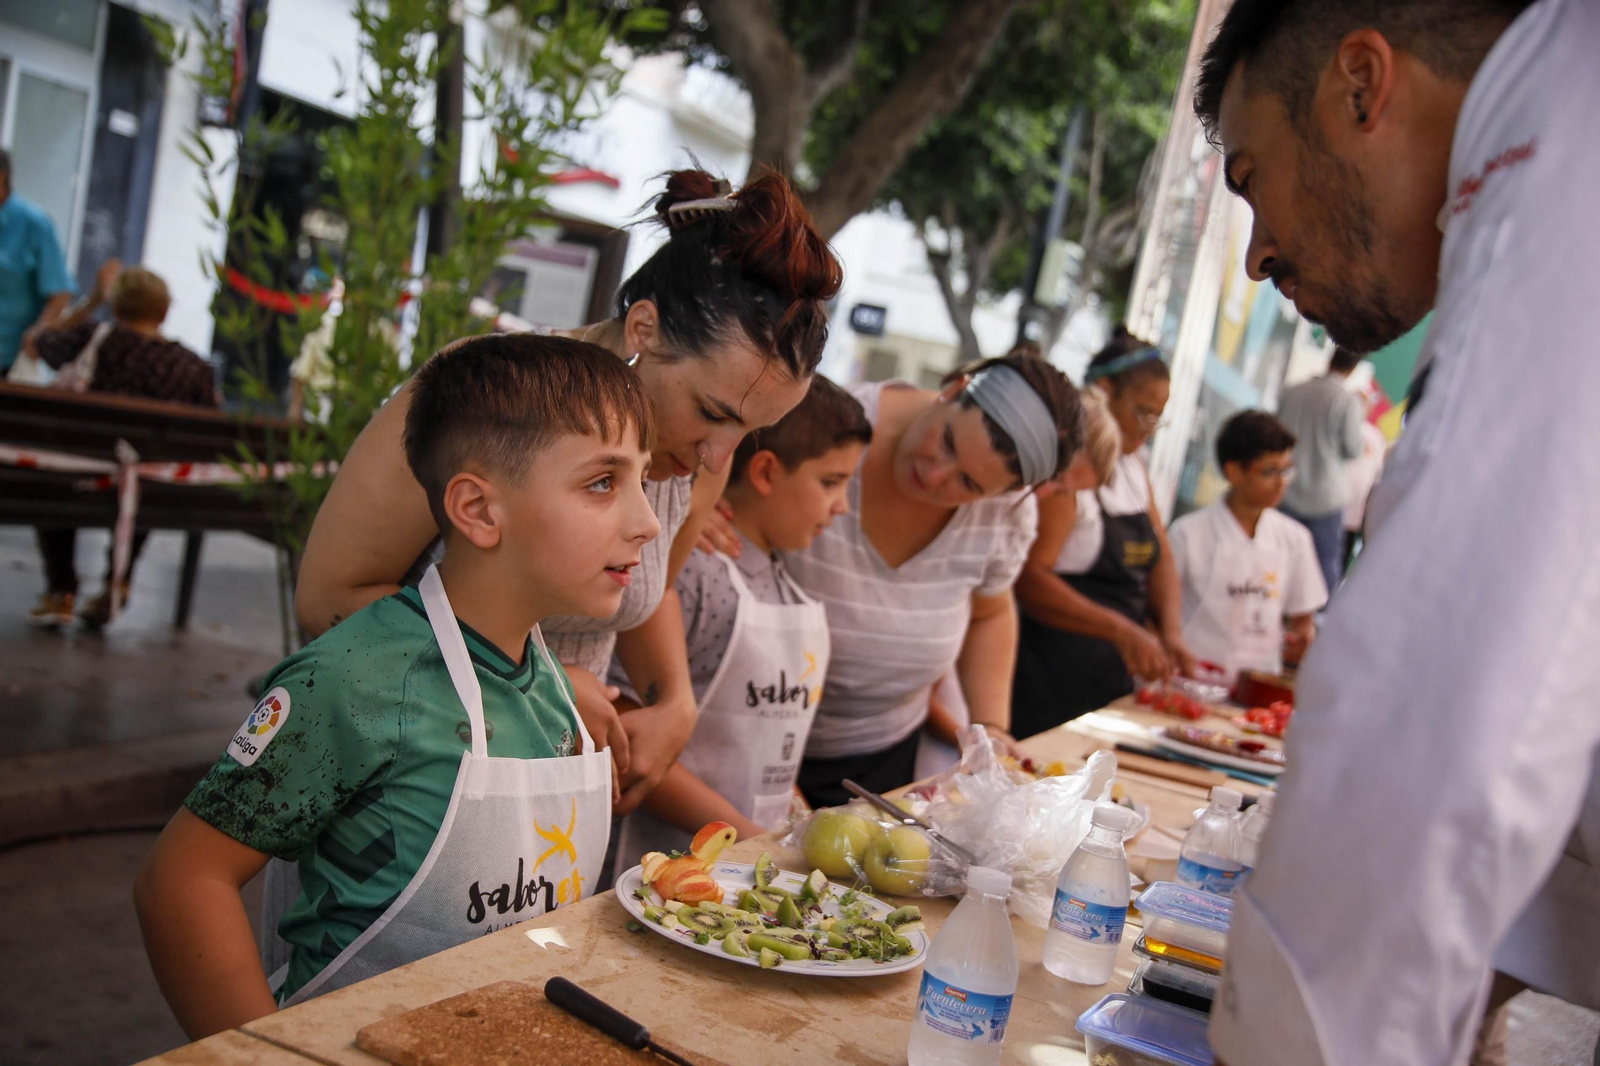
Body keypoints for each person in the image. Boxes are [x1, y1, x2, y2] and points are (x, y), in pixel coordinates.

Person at [1192, 1, 1600, 1064]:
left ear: (1361, 85)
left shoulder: (1562, 144)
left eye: (1250, 180)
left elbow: (1447, 705)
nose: (1255, 257)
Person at [134, 334, 658, 1037]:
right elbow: (179, 883)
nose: (648, 522)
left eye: (643, 481)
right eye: (603, 483)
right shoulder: (355, 680)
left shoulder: (554, 688)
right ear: (477, 510)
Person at [291, 169, 840, 816]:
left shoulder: (704, 456)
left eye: (751, 432)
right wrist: (534, 683)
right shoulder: (482, 393)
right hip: (397, 778)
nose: (720, 457)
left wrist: (674, 699)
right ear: (643, 328)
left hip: (549, 798)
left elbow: (647, 590)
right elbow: (329, 599)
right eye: (714, 412)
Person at [777, 352, 1084, 807]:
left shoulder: (1005, 517)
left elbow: (990, 612)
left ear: (1008, 495)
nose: (935, 474)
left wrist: (991, 731)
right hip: (754, 731)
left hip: (878, 759)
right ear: (956, 389)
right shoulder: (830, 427)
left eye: (969, 484)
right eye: (948, 443)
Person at [612, 376, 871, 868]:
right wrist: (751, 837)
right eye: (831, 482)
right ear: (767, 472)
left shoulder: (783, 581)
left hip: (749, 862)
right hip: (652, 863)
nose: (843, 507)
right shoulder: (697, 575)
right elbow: (628, 729)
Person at [1011, 331, 1196, 737]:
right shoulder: (1068, 475)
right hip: (1048, 677)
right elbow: (1030, 578)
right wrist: (1120, 628)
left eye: (1157, 417)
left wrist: (1171, 632)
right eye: (1142, 412)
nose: (1149, 429)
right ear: (1104, 390)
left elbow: (1161, 554)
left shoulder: (1134, 465)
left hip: (1108, 682)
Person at [24, 265, 219, 628]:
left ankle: (61, 589)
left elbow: (36, 341)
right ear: (164, 310)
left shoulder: (91, 338)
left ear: (117, 307)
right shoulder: (193, 368)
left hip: (77, 481)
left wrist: (92, 299)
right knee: (149, 471)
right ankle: (120, 582)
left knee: (62, 468)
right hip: (153, 492)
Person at [1166, 410, 1327, 683]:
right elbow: (1159, 615)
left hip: (1260, 685)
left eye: (1286, 470)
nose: (1280, 482)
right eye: (1268, 471)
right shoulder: (1187, 534)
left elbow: (1302, 621)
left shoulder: (1295, 539)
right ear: (1234, 471)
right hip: (1191, 680)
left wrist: (1300, 643)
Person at [1275, 346, 1366, 592]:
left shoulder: (1293, 391)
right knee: (1323, 566)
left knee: (1275, 560)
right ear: (1353, 368)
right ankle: (1313, 625)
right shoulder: (1347, 402)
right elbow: (1355, 449)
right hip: (1325, 497)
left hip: (1286, 490)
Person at [0, 149, 76, 375]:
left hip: (8, 358)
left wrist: (38, 334)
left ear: (2, 177)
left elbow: (60, 293)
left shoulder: (34, 223)